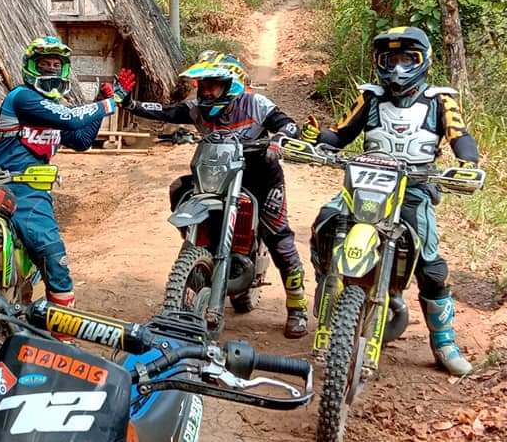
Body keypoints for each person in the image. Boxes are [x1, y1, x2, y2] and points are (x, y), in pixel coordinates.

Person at [301, 26, 479, 376]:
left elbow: (461, 136)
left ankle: (444, 342)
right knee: (326, 219)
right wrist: (315, 139)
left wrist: (468, 163)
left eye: (406, 59)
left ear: (422, 60)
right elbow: (340, 134)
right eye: (389, 59)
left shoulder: (440, 100)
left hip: (414, 188)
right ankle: (327, 280)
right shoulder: (369, 98)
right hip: (365, 184)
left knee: (431, 265)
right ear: (379, 63)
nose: (397, 68)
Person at [119, 51, 309, 338]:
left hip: (260, 178)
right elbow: (165, 111)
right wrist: (128, 102)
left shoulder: (255, 103)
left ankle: (297, 307)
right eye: (203, 84)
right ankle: (200, 258)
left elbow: (289, 124)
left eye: (213, 84)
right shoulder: (197, 108)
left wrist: (278, 140)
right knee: (179, 189)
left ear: (230, 84)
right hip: (217, 177)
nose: (206, 90)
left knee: (279, 237)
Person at [0, 36, 135, 311]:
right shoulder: (22, 98)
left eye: (56, 64)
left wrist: (100, 100)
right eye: (44, 64)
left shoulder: (55, 110)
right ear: (32, 67)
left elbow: (80, 140)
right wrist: (110, 103)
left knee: (53, 255)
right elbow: (73, 119)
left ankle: (61, 332)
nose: (51, 70)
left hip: (31, 192)